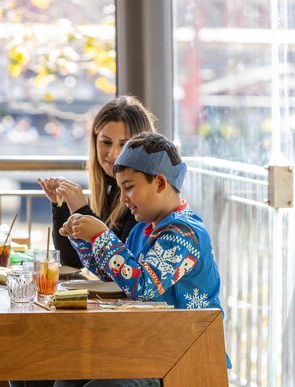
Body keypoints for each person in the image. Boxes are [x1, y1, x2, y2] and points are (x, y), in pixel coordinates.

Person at [58, 132, 229, 386]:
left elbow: (144, 286)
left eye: (129, 187)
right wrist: (85, 239)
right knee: (65, 375)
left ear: (160, 183)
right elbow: (114, 274)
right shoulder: (144, 228)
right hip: (148, 346)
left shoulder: (183, 233)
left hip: (181, 355)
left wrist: (103, 235)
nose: (124, 198)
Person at [37, 95, 156, 268]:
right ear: (94, 142)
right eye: (106, 142)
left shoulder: (145, 196)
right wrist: (61, 205)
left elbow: (121, 269)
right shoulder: (109, 188)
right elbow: (72, 262)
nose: (113, 154)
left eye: (124, 144)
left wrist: (81, 210)